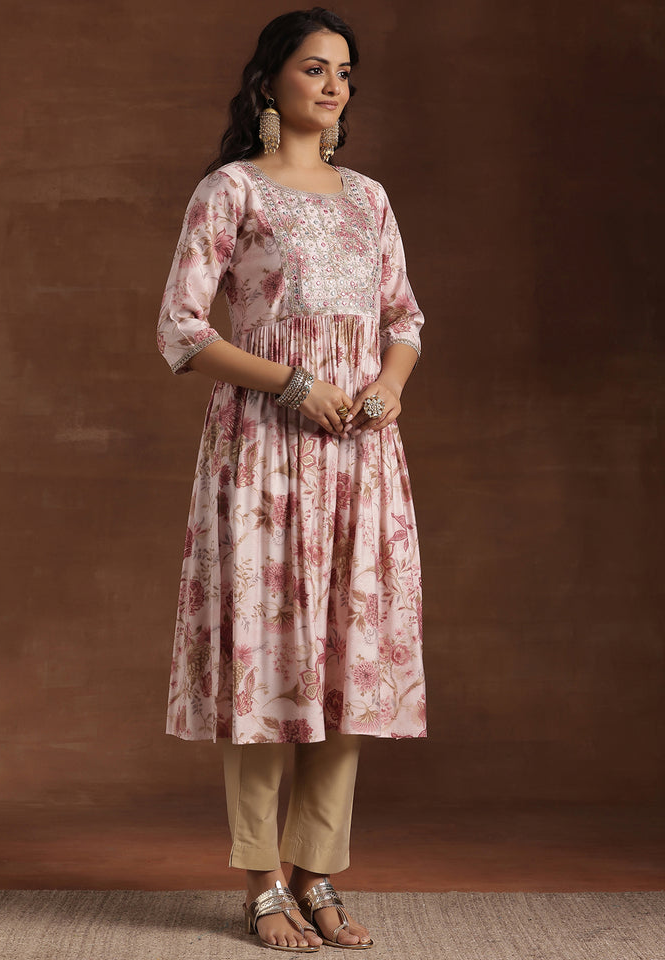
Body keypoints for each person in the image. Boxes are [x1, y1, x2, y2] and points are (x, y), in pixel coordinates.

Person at [156, 6, 427, 952]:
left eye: (345, 71)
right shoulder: (231, 190)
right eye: (314, 68)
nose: (333, 85)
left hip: (360, 458)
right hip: (264, 454)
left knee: (349, 664)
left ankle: (317, 872)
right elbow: (181, 331)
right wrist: (296, 385)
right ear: (270, 80)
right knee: (266, 665)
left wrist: (388, 389)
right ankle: (261, 881)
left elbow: (405, 319)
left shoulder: (370, 198)